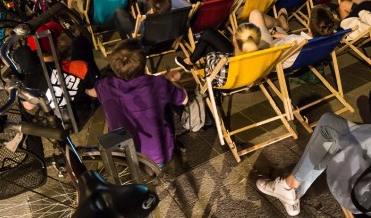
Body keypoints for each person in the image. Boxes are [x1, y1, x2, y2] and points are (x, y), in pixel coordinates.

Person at [88, 40, 187, 168]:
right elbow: (184, 99)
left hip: (124, 153)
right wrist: (172, 81)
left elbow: (92, 92)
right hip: (156, 155)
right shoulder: (158, 84)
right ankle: (159, 171)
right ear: (144, 63)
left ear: (113, 67)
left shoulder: (104, 86)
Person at [175, 23, 263, 80]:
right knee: (208, 39)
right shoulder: (261, 55)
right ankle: (190, 60)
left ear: (235, 39)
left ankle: (190, 61)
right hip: (241, 73)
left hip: (226, 73)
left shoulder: (222, 63)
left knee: (208, 34)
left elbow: (210, 74)